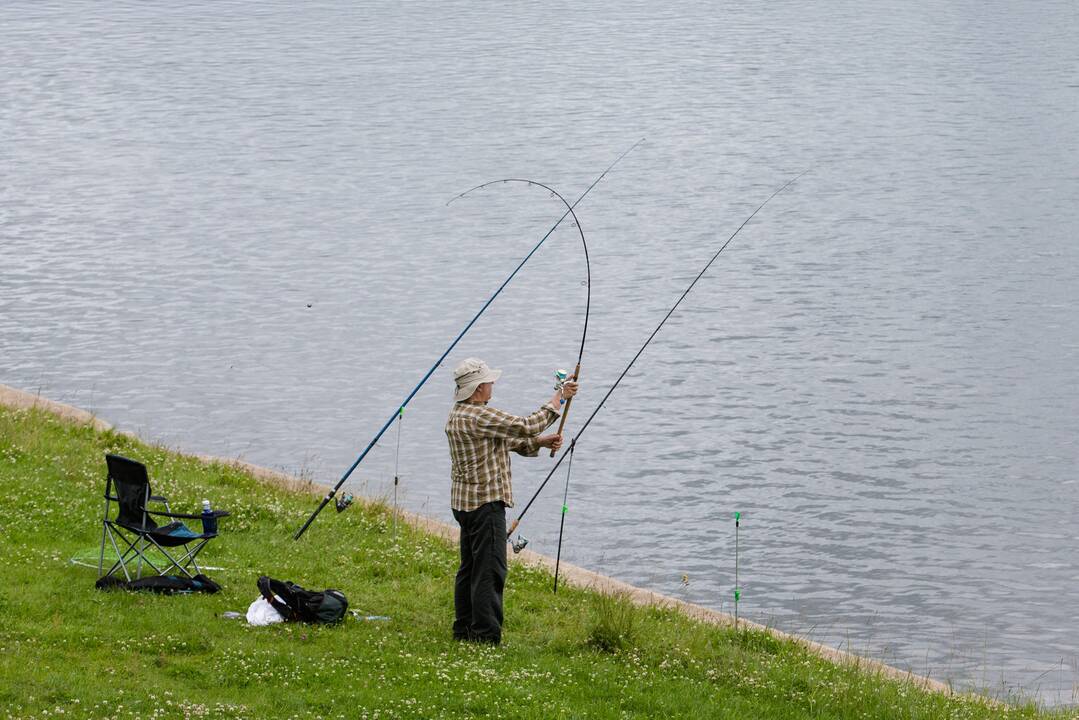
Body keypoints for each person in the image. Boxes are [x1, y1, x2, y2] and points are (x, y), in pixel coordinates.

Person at [445, 357, 578, 644]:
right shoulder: (480, 416)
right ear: (478, 388)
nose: (493, 384)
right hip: (485, 504)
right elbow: (526, 425)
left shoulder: (459, 415)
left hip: (464, 504)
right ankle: (484, 637)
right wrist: (560, 398)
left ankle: (463, 629)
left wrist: (539, 443)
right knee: (490, 571)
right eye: (489, 381)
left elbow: (503, 441)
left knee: (469, 569)